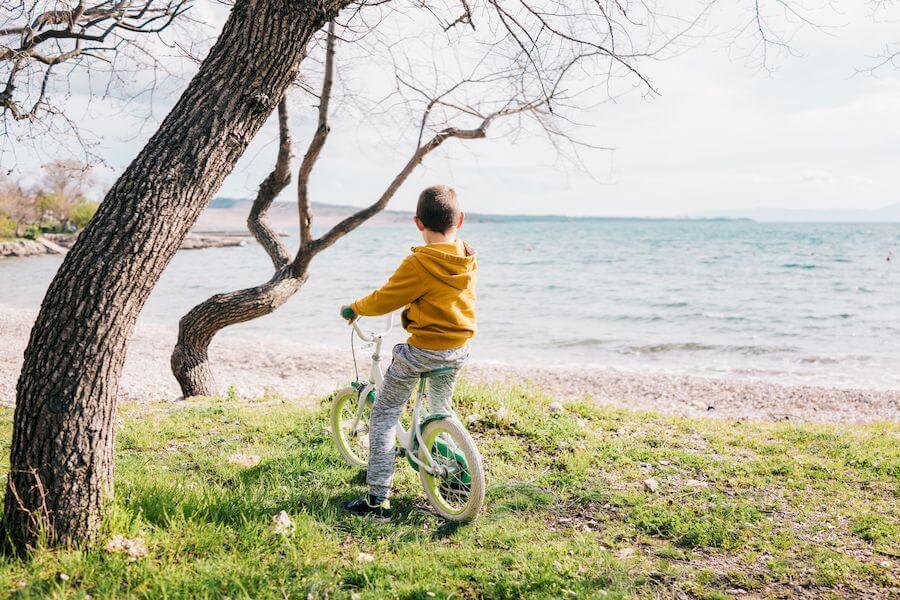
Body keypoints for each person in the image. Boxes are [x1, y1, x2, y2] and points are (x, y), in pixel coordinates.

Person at [339, 184, 477, 518]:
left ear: (418, 223)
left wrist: (355, 307)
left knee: (384, 415)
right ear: (459, 218)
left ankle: (377, 500)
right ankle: (457, 470)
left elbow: (385, 298)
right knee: (440, 407)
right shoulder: (466, 256)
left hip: (423, 351)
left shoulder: (419, 262)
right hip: (457, 349)